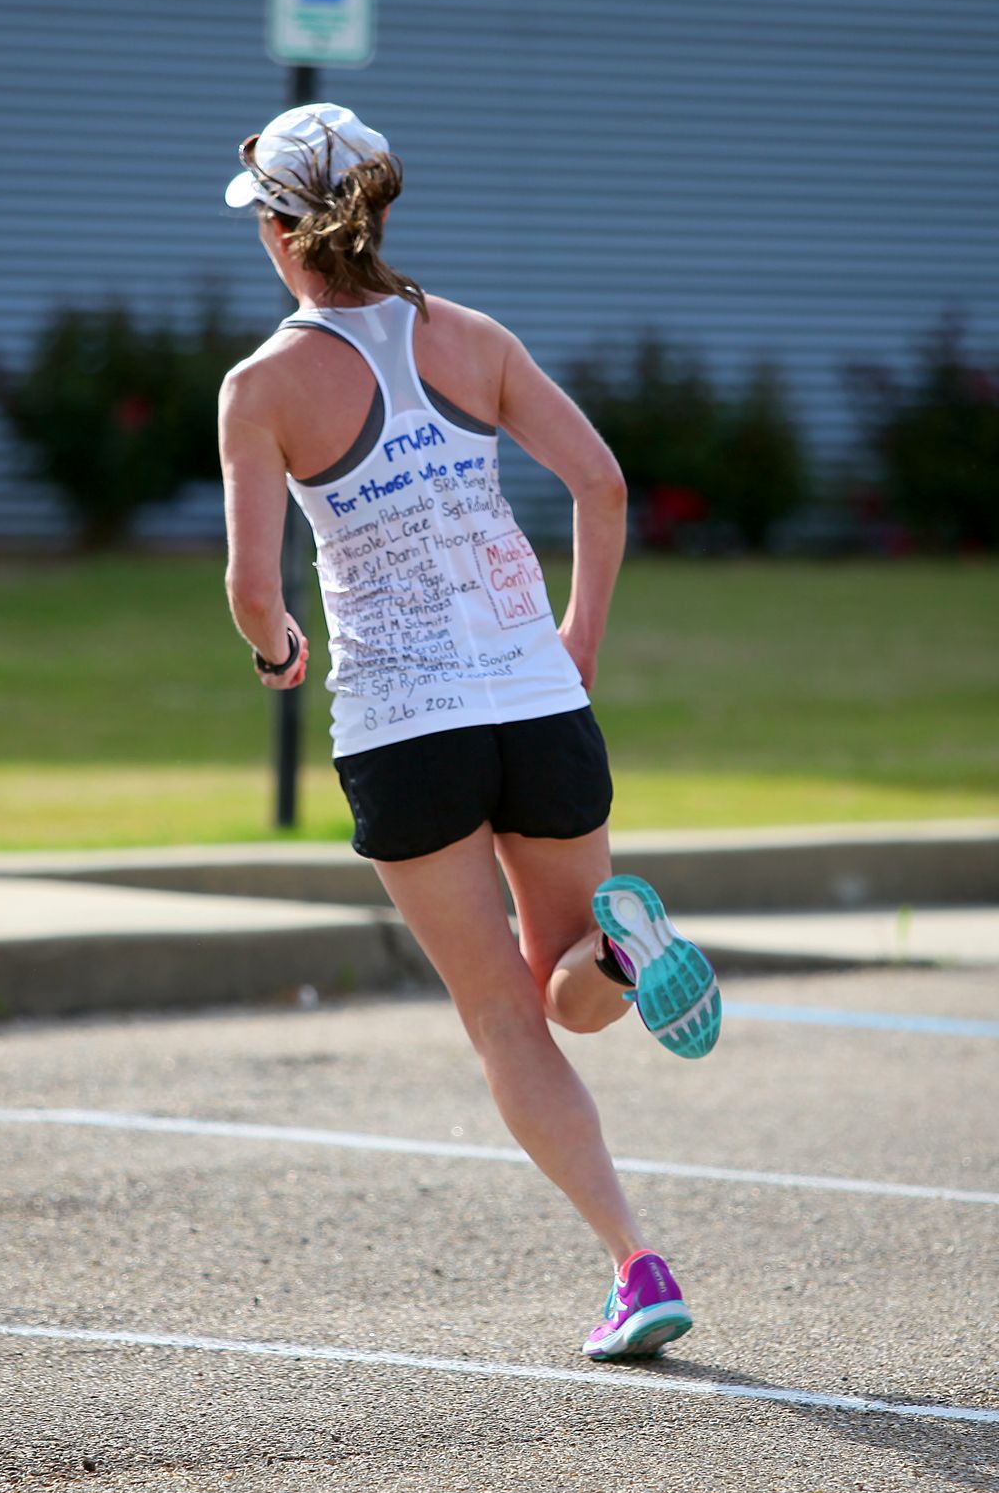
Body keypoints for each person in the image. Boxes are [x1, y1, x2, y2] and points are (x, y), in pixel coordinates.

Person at [218, 102, 721, 1361]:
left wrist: (280, 653)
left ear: (284, 234)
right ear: (379, 213)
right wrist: (581, 635)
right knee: (566, 987)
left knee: (504, 1018)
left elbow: (253, 585)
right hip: (538, 705)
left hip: (403, 727)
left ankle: (634, 1262)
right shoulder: (477, 337)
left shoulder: (263, 385)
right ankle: (621, 953)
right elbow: (599, 481)